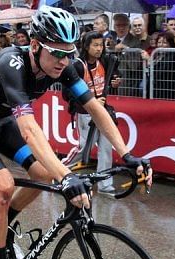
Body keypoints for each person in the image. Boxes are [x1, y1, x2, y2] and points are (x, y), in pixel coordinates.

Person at [0, 6, 152, 259]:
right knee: (3, 186)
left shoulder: (65, 66)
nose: (63, 61)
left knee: (43, 176)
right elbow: (29, 129)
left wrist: (128, 154)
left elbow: (96, 109)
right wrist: (66, 176)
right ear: (34, 45)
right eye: (56, 53)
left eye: (68, 53)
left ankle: (4, 226)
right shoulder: (11, 64)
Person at [61, 31, 121, 196]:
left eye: (101, 45)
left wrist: (116, 81)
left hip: (103, 112)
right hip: (85, 114)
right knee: (83, 149)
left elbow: (115, 76)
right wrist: (90, 100)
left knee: (106, 148)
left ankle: (105, 185)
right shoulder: (78, 66)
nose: (99, 48)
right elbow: (66, 94)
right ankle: (58, 171)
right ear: (86, 47)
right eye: (95, 45)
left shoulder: (106, 61)